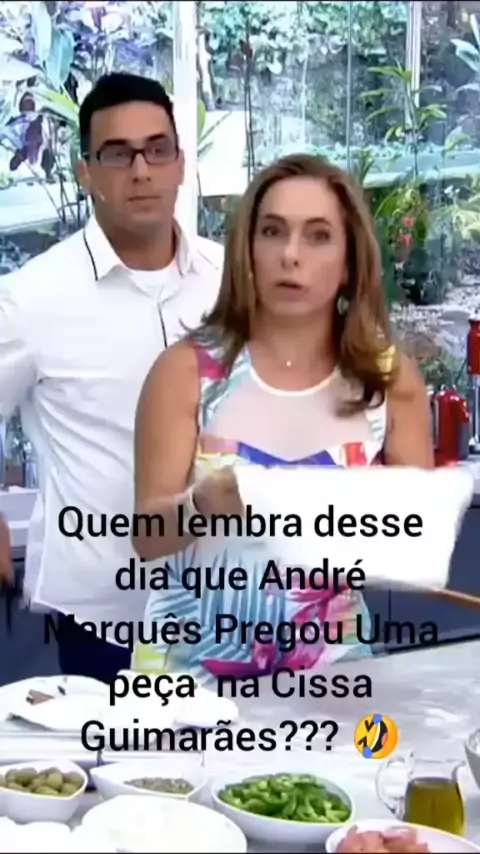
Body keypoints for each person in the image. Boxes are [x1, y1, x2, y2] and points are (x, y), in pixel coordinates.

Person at [131, 153, 434, 684]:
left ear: (349, 263)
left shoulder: (390, 382)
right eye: (273, 232)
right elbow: (146, 537)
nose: (291, 255)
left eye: (318, 236)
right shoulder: (185, 372)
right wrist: (204, 504)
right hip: (188, 685)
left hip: (335, 680)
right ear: (248, 251)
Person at [0, 72, 223, 682]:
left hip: (233, 605)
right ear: (86, 172)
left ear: (181, 164)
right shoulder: (32, 299)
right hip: (106, 617)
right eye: (118, 154)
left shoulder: (233, 280)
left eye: (157, 149)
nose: (141, 171)